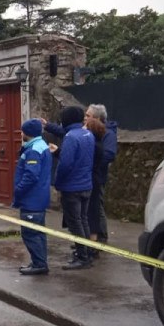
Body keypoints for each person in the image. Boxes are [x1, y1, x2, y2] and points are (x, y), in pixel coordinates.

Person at [50, 106, 95, 270]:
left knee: (75, 223)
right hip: (86, 185)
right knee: (83, 220)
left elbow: (66, 164)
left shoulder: (70, 137)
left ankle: (82, 257)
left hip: (71, 187)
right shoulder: (88, 134)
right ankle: (87, 253)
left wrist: (58, 182)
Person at [12, 119, 53, 275]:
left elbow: (31, 175)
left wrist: (18, 190)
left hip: (32, 200)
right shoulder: (42, 146)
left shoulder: (33, 150)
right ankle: (39, 261)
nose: (21, 134)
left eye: (22, 131)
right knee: (38, 233)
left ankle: (39, 264)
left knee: (30, 234)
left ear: (27, 133)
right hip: (39, 198)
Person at [84, 105, 118, 253]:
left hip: (98, 176)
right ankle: (90, 237)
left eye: (88, 115)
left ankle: (101, 237)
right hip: (90, 175)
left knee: (98, 206)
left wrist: (94, 162)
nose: (85, 118)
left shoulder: (108, 134)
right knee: (91, 208)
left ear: (97, 118)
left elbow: (110, 154)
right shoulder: (87, 132)